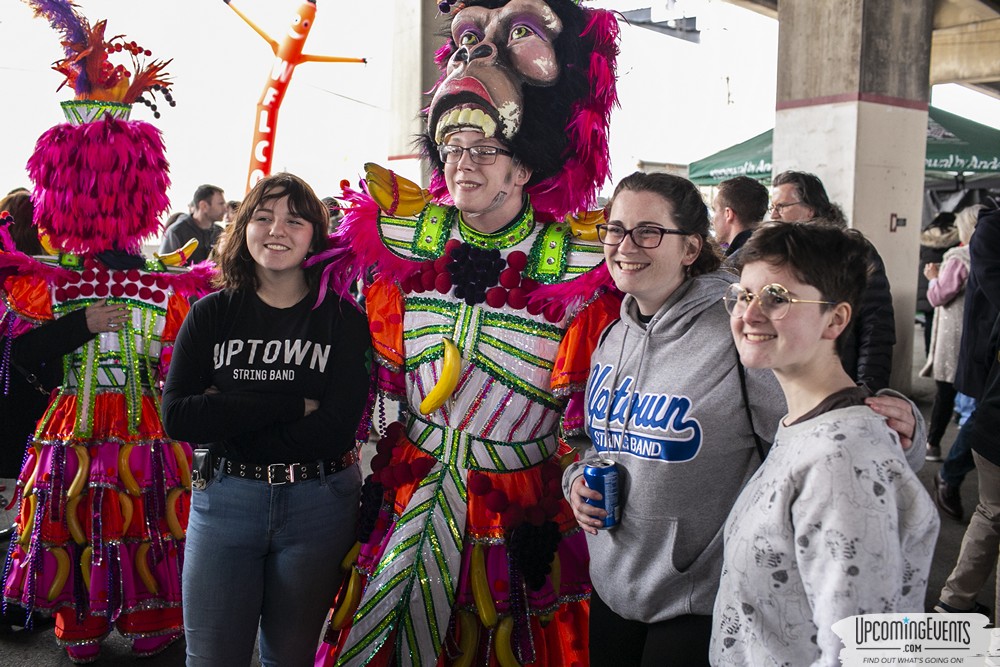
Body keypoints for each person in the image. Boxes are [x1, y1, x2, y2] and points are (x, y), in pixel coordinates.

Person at [311, 1, 622, 664]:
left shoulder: (581, 262)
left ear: (524, 168)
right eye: (452, 148)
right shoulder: (404, 240)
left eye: (485, 149)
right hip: (410, 489)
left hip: (520, 507)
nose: (463, 163)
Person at [563, 172, 923, 666]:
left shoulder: (735, 330)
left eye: (648, 231)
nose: (627, 245)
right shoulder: (612, 335)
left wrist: (899, 430)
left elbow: (816, 426)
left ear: (690, 248)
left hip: (698, 601)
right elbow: (594, 442)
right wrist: (576, 479)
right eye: (616, 229)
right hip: (612, 585)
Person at [0, 7, 207, 659]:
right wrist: (82, 325)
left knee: (152, 529)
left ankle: (149, 615)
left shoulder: (166, 280)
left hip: (148, 427)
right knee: (75, 528)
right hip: (72, 427)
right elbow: (25, 353)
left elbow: (186, 355)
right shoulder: (52, 280)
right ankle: (79, 617)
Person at [161, 172, 371, 666]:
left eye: (294, 221)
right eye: (262, 216)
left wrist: (227, 408)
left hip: (318, 505)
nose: (276, 229)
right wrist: (288, 403)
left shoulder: (344, 319)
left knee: (290, 658)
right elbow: (179, 417)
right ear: (242, 228)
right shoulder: (211, 314)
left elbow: (334, 430)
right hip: (227, 499)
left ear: (316, 238)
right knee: (212, 658)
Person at [710, 221, 938, 666]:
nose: (749, 314)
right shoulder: (801, 424)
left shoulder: (841, 461)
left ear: (835, 319)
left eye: (777, 297)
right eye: (744, 295)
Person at [933, 206, 1000, 624]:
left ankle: (955, 601)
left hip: (988, 401)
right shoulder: (987, 236)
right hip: (983, 388)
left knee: (991, 512)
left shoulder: (975, 243)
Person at [770, 170, 896, 391]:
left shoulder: (854, 252)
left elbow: (876, 324)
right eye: (772, 208)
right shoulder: (780, 256)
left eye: (781, 207)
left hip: (840, 379)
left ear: (809, 209)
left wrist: (869, 385)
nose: (773, 216)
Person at [920, 205, 981, 462]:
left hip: (954, 334)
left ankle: (933, 444)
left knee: (945, 391)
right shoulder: (989, 254)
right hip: (980, 332)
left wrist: (933, 277)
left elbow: (938, 296)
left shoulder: (958, 257)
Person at [917, 211, 959, 355]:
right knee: (944, 325)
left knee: (929, 321)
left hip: (926, 282)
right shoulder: (955, 239)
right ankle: (940, 355)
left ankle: (929, 353)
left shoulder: (926, 237)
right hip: (943, 284)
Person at [157, 184, 226, 264]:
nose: (225, 208)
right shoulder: (176, 232)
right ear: (204, 206)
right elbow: (164, 269)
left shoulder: (220, 232)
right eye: (221, 204)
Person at [711, 175, 768, 260]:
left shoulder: (734, 266)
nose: (712, 220)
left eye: (715, 210)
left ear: (728, 214)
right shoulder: (772, 252)